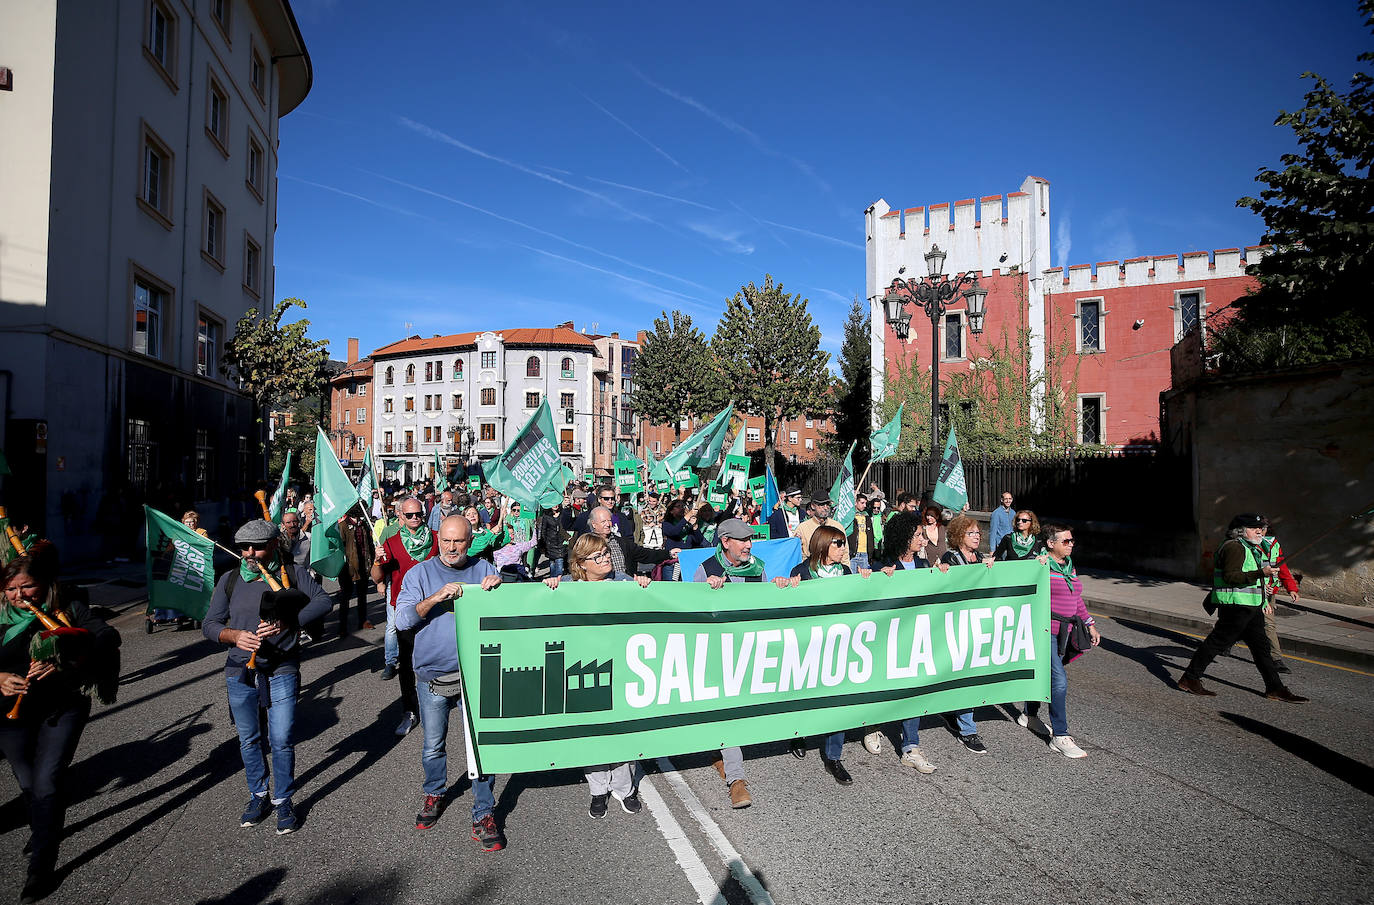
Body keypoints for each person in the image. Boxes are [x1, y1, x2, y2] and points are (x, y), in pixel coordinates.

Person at [1, 543, 120, 901]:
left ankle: (41, 864)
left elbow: (107, 636)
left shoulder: (67, 609)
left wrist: (70, 652)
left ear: (45, 584)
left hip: (62, 708)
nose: (19, 595)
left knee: (47, 780)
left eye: (27, 587)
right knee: (28, 783)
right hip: (9, 715)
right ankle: (43, 829)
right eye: (10, 589)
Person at [202, 519, 334, 835]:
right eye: (244, 547)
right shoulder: (229, 580)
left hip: (282, 667)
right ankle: (258, 794)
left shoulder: (293, 574)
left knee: (281, 737)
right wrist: (232, 635)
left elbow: (324, 601)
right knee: (249, 738)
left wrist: (290, 622)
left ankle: (284, 799)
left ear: (275, 543)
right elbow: (210, 624)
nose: (250, 553)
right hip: (240, 670)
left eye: (257, 546)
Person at [394, 516, 506, 851]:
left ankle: (483, 812)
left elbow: (506, 613)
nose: (452, 548)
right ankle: (435, 792)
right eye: (446, 541)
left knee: (478, 748)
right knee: (433, 745)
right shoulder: (420, 574)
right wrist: (435, 598)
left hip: (476, 675)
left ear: (470, 540)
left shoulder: (483, 567)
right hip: (432, 675)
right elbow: (402, 621)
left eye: (459, 541)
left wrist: (497, 590)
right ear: (437, 539)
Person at [544, 533, 651, 817]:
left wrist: (643, 586)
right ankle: (598, 789)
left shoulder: (624, 582)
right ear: (581, 563)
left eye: (606, 553)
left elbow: (648, 607)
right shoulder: (567, 587)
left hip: (623, 668)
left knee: (623, 731)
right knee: (591, 734)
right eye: (598, 556)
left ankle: (625, 787)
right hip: (584, 669)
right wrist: (549, 587)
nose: (606, 559)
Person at [693, 518, 793, 807]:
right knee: (728, 715)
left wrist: (778, 587)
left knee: (733, 714)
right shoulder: (706, 570)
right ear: (725, 542)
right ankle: (736, 780)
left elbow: (764, 608)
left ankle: (721, 755)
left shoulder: (757, 568)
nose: (749, 545)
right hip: (715, 656)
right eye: (742, 540)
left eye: (750, 539)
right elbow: (688, 615)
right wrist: (705, 594)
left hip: (745, 654)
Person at [1178, 514, 1308, 703]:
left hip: (1250, 606)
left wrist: (1264, 598)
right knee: (1216, 643)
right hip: (1235, 605)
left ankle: (1275, 687)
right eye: (1254, 527)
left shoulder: (1251, 547)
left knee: (1261, 648)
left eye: (1261, 527)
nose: (1259, 531)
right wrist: (1261, 573)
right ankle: (1190, 678)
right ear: (1239, 530)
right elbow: (1232, 577)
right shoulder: (1233, 547)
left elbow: (1255, 581)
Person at [862, 514, 949, 773]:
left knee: (913, 689)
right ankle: (872, 724)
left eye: (923, 534)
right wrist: (875, 576)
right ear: (903, 538)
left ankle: (911, 747)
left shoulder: (924, 565)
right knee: (882, 683)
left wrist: (943, 575)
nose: (923, 540)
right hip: (888, 639)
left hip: (915, 639)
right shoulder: (883, 565)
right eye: (918, 535)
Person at [788, 525, 871, 786]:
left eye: (844, 543)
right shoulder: (801, 572)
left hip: (839, 646)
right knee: (805, 696)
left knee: (838, 702)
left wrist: (871, 579)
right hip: (809, 647)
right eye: (838, 543)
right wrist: (785, 586)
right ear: (823, 545)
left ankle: (834, 757)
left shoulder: (847, 572)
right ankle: (797, 733)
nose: (843, 548)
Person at [1019, 522, 1099, 758]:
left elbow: (1076, 598)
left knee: (1047, 676)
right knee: (1059, 681)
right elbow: (1014, 577)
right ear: (1050, 544)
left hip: (1066, 631)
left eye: (1072, 540)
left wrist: (1090, 623)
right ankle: (1060, 736)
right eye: (1066, 541)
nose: (1071, 544)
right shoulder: (1040, 563)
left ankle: (1029, 714)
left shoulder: (1068, 566)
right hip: (1044, 632)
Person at [371, 497, 438, 734]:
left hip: (434, 610)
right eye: (409, 515)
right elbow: (377, 577)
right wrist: (377, 559)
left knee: (435, 661)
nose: (415, 519)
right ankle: (410, 711)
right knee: (407, 665)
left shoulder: (436, 539)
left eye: (418, 514)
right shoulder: (391, 542)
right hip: (405, 610)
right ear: (400, 516)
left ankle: (436, 704)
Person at [932, 514, 994, 754]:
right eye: (972, 533)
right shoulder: (951, 558)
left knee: (970, 675)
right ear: (959, 536)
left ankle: (952, 712)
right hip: (956, 626)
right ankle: (967, 731)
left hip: (977, 625)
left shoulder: (979, 558)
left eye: (978, 533)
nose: (977, 536)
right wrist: (942, 571)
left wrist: (990, 569)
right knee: (963, 675)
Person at [586, 507, 677, 578]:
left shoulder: (622, 541)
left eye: (609, 520)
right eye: (603, 521)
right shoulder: (587, 543)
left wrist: (668, 553)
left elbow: (644, 554)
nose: (607, 524)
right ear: (594, 524)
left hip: (625, 585)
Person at [1260, 517, 1299, 674]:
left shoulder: (1274, 544)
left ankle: (1276, 659)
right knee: (1239, 621)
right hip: (1251, 591)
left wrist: (1291, 588)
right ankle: (1225, 642)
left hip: (1269, 593)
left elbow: (1282, 567)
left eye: (1262, 528)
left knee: (1268, 624)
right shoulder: (1246, 544)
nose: (1260, 531)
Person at [338, 507, 376, 635]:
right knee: (345, 596)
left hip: (363, 564)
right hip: (347, 567)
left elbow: (369, 543)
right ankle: (342, 625)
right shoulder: (343, 526)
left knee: (362, 595)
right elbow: (339, 546)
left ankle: (363, 620)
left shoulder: (364, 524)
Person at [796, 496, 851, 567]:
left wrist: (846, 572)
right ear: (813, 506)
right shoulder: (802, 528)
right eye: (821, 505)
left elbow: (845, 552)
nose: (825, 508)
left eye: (827, 504)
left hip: (836, 571)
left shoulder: (837, 526)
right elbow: (798, 553)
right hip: (812, 571)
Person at [538, 500, 571, 578]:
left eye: (556, 503)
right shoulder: (546, 516)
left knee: (559, 564)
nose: (555, 505)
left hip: (561, 543)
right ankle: (552, 582)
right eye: (553, 503)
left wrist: (568, 506)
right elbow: (543, 531)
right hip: (550, 544)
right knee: (552, 565)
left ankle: (558, 582)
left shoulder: (563, 514)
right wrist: (543, 544)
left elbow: (570, 518)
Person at [848, 493, 876, 572]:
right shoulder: (850, 517)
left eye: (865, 503)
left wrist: (870, 552)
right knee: (852, 577)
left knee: (864, 577)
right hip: (853, 553)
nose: (864, 505)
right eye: (862, 503)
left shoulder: (867, 517)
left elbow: (871, 535)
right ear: (855, 503)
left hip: (864, 553)